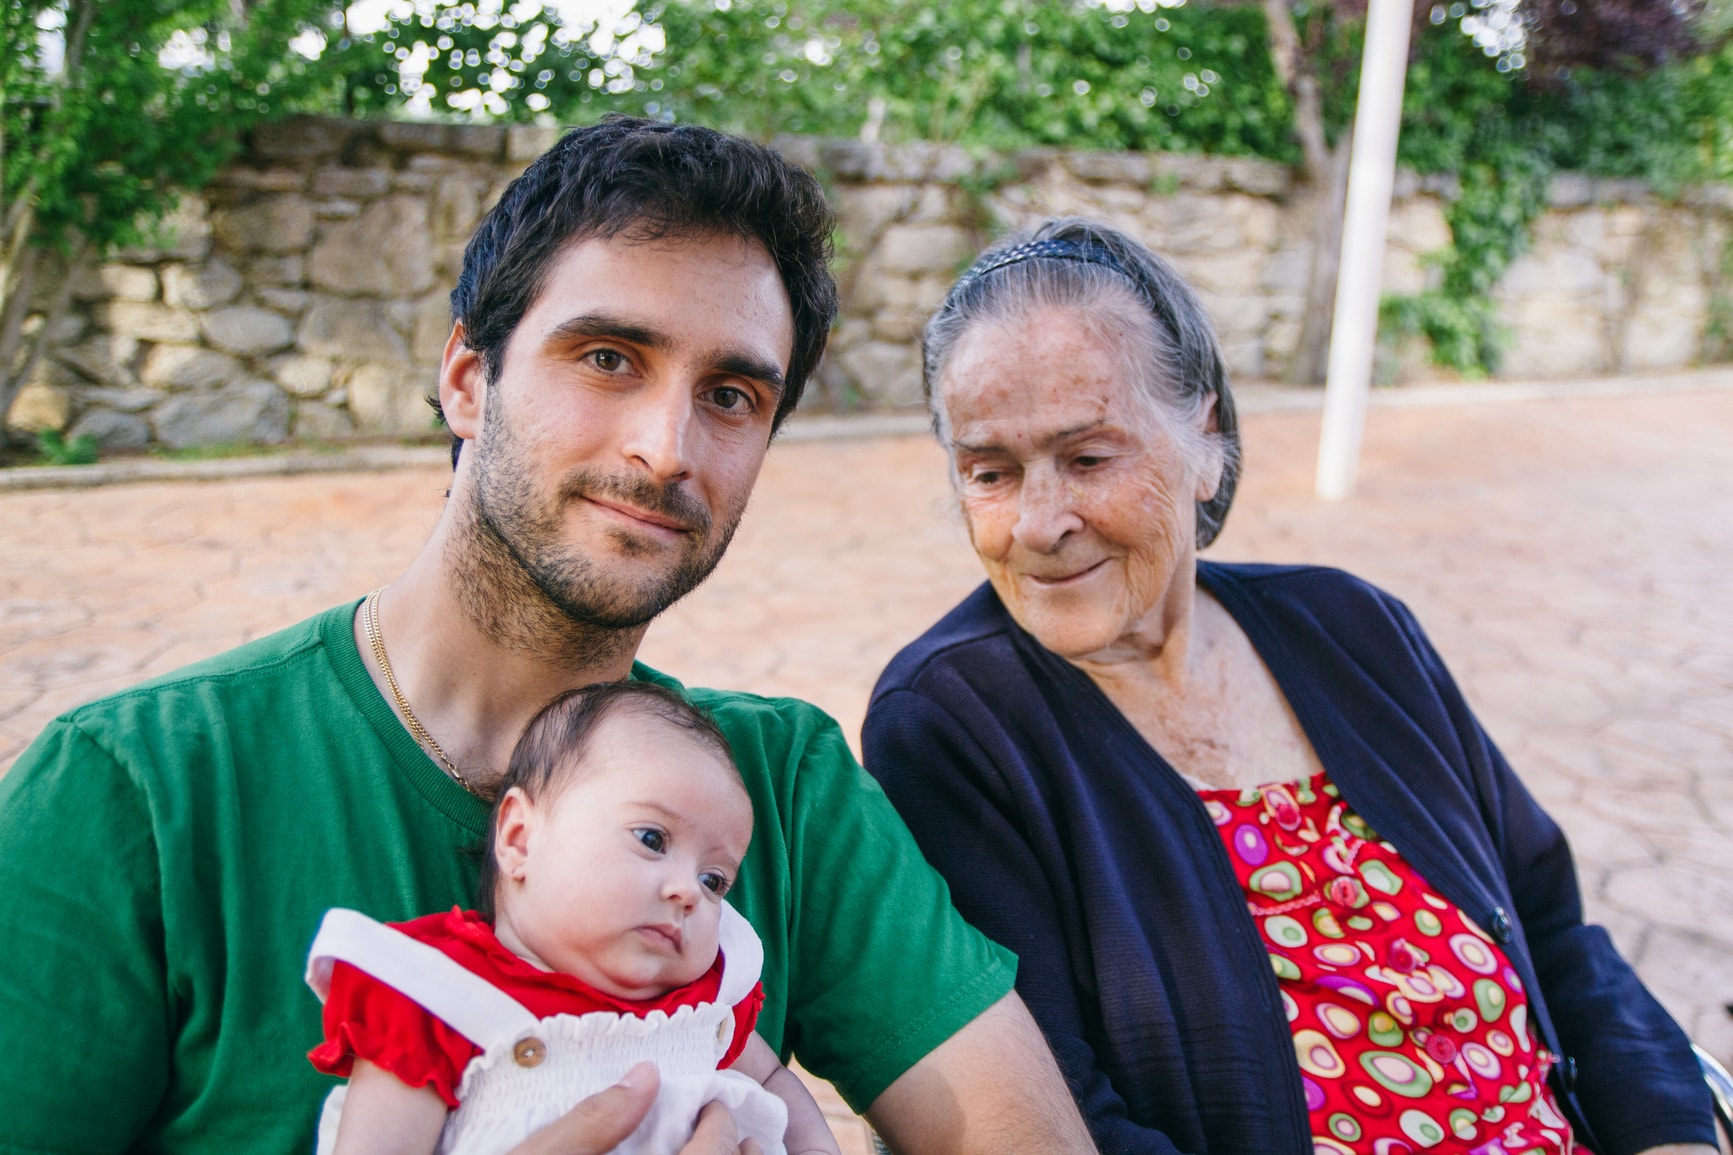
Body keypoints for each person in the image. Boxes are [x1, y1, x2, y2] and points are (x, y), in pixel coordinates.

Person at [0, 119, 1094, 1155]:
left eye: (729, 395)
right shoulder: (136, 792)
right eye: (609, 357)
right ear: (469, 379)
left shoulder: (781, 787)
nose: (666, 447)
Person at [862, 217, 1719, 1155]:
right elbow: (1051, 1116)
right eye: (990, 471)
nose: (1037, 522)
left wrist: (1667, 1134)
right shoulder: (953, 723)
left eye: (1088, 457)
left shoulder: (1352, 626)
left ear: (1206, 431)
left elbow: (1553, 931)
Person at [307, 681, 838, 1155]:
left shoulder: (702, 1003)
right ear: (520, 838)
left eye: (713, 880)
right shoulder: (436, 999)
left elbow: (770, 1075)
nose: (688, 893)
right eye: (652, 839)